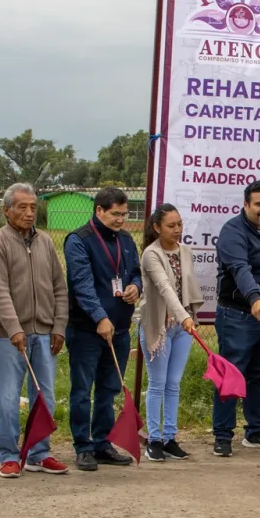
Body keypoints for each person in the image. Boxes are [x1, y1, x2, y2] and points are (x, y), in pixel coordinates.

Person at [0, 183, 71, 478]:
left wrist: (59, 326)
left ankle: (39, 452)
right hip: (9, 336)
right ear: (6, 210)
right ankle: (9, 455)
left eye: (33, 207)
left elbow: (59, 286)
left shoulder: (45, 242)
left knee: (44, 394)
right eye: (22, 207)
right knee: (8, 397)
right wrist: (13, 328)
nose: (29, 213)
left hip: (44, 332)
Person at [64, 187, 143, 471]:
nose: (121, 219)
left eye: (125, 214)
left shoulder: (125, 239)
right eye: (115, 214)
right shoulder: (79, 240)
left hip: (119, 329)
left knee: (108, 390)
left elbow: (135, 271)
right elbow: (82, 284)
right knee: (83, 389)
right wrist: (99, 316)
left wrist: (136, 287)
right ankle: (82, 446)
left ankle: (102, 443)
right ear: (99, 211)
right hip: (87, 330)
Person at [211, 179, 260, 457]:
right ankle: (222, 434)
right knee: (231, 375)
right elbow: (240, 269)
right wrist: (255, 298)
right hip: (238, 316)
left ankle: (255, 432)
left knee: (258, 375)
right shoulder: (232, 232)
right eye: (258, 204)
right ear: (246, 205)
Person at [139, 204, 202, 462]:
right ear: (156, 228)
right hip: (160, 326)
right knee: (157, 383)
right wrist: (184, 316)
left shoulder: (186, 251)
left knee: (174, 384)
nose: (177, 230)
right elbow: (165, 288)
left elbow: (188, 287)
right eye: (171, 225)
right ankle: (153, 439)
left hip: (183, 326)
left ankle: (170, 438)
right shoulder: (150, 255)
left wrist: (188, 316)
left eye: (179, 224)